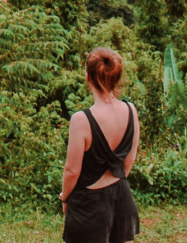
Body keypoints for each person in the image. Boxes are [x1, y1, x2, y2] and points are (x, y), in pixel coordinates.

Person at [59, 47, 141, 243]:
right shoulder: (131, 110)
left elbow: (71, 171)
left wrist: (65, 198)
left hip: (89, 206)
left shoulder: (81, 119)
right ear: (117, 77)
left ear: (88, 77)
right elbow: (129, 161)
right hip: (122, 199)